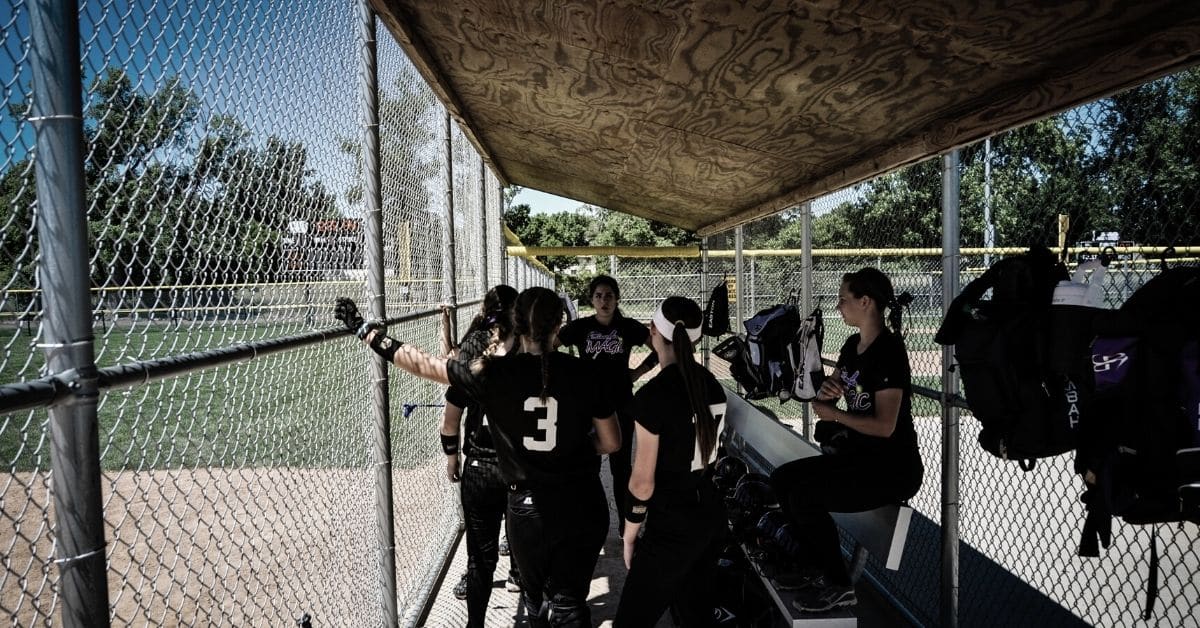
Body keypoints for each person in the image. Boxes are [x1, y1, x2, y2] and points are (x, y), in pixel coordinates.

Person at [334, 288, 620, 627]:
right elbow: (612, 442)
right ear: (559, 325)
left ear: (516, 324)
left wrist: (365, 331)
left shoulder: (492, 374)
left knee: (537, 603)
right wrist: (574, 447)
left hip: (529, 509)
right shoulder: (585, 373)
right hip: (582, 500)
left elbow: (419, 363)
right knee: (570, 603)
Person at [768, 268, 922, 613]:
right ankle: (812, 567)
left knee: (805, 496)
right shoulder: (854, 345)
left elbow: (885, 426)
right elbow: (827, 397)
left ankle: (839, 584)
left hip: (890, 469)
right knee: (783, 480)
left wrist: (835, 415)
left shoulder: (889, 351)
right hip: (858, 458)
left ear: (865, 302)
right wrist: (828, 393)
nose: (839, 307)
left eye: (843, 299)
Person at [615, 296, 729, 627]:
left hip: (672, 524)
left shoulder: (653, 396)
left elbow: (642, 482)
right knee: (694, 615)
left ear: (653, 331)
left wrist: (630, 532)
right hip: (709, 515)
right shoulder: (713, 387)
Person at [439, 285, 522, 626]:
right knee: (525, 540)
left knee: (480, 556)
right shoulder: (528, 347)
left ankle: (475, 622)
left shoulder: (473, 347)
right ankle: (521, 579)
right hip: (519, 463)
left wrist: (451, 456)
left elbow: (450, 417)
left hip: (480, 461)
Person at [557, 275, 656, 533]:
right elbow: (550, 346)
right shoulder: (580, 327)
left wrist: (639, 371)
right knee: (583, 462)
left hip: (621, 403)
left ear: (617, 298)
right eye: (599, 296)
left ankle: (626, 526)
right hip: (586, 406)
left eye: (609, 296)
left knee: (620, 466)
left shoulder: (628, 327)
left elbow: (659, 348)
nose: (604, 301)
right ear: (591, 299)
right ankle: (582, 523)